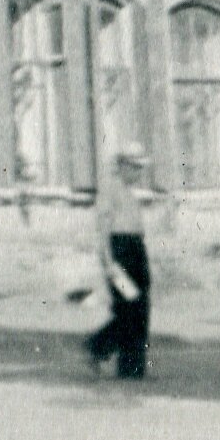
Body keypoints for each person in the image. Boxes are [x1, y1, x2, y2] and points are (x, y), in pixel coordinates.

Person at [86, 149, 157, 379]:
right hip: (120, 254)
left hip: (135, 252)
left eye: (140, 168)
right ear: (123, 166)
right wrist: (108, 261)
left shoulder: (129, 193)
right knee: (129, 307)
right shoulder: (110, 189)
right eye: (135, 167)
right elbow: (104, 227)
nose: (138, 172)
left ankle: (132, 368)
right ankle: (98, 346)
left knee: (140, 307)